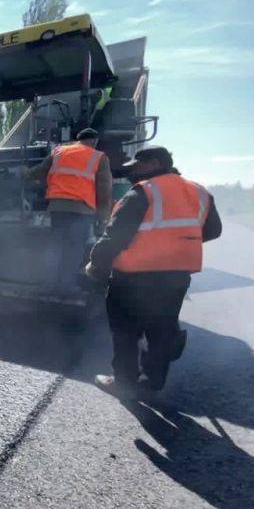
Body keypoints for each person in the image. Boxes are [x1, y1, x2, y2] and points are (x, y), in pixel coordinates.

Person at [85, 147, 222, 398]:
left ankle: (124, 383)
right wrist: (179, 244)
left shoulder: (145, 191)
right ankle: (153, 381)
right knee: (161, 328)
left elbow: (116, 235)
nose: (132, 169)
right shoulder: (200, 192)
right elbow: (213, 230)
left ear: (155, 163)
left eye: (137, 164)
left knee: (125, 331)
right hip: (176, 277)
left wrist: (96, 264)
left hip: (134, 276)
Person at [26, 128, 113, 292]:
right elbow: (104, 189)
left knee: (56, 245)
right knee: (74, 247)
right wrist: (103, 216)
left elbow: (40, 171)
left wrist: (26, 173)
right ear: (93, 141)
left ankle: (48, 283)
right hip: (82, 209)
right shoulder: (98, 157)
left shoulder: (58, 152)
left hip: (58, 207)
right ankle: (66, 285)